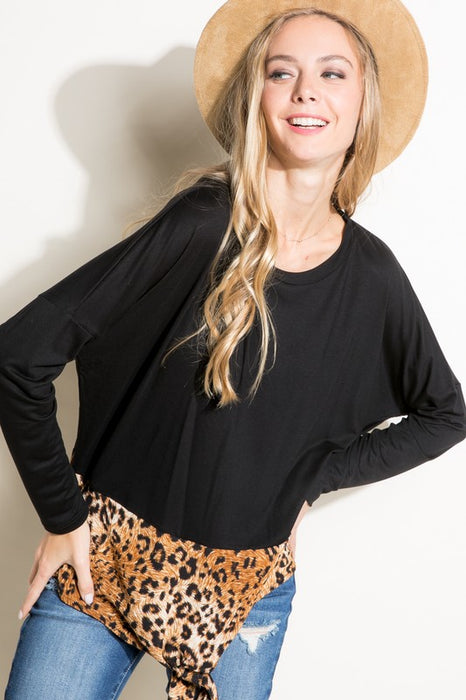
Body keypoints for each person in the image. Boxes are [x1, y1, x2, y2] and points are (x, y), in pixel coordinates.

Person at [1, 1, 465, 698]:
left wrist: (315, 475)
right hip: (105, 566)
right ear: (258, 99)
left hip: (248, 593)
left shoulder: (372, 276)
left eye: (332, 73)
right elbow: (18, 356)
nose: (306, 90)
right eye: (282, 72)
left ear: (362, 105)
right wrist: (62, 515)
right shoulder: (202, 223)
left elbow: (445, 414)